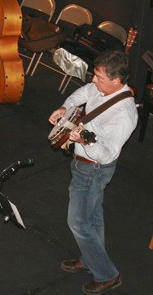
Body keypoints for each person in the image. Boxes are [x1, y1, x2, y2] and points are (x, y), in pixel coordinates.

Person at [48, 50, 137, 295]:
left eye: (99, 77)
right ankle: (90, 259)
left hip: (93, 169)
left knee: (78, 222)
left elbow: (107, 153)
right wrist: (65, 109)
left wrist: (84, 141)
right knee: (93, 216)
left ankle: (107, 274)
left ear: (117, 81)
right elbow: (84, 92)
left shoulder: (124, 115)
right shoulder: (102, 88)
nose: (93, 81)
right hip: (85, 165)